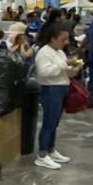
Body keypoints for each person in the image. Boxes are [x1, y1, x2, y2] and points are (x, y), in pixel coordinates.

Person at [34, 25, 80, 169]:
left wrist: (75, 68)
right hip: (50, 89)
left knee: (55, 122)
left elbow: (65, 72)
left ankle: (51, 149)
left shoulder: (59, 52)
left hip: (61, 87)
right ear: (53, 38)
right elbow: (45, 72)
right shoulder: (44, 53)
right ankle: (42, 154)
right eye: (63, 39)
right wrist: (64, 64)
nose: (66, 42)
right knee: (48, 122)